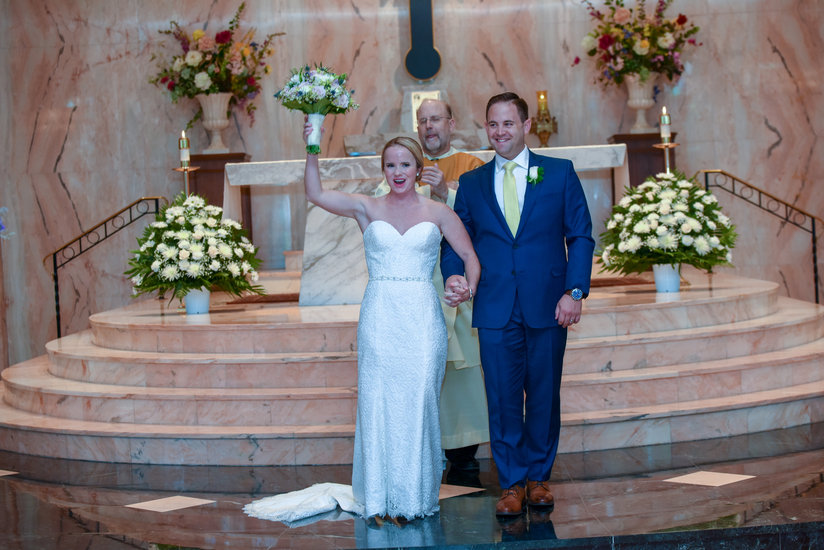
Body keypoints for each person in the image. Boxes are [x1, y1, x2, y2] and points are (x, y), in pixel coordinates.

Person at [303, 120, 481, 520]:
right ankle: (380, 499)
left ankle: (417, 498)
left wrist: (466, 288)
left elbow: (471, 258)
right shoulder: (367, 208)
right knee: (378, 403)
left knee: (419, 404)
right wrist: (312, 144)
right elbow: (314, 193)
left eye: (405, 165)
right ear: (382, 170)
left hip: (422, 318)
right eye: (390, 166)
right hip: (380, 316)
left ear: (418, 169)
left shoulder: (438, 211)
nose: (398, 173)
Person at [441, 92, 594, 517]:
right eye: (493, 124)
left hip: (549, 304)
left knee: (543, 396)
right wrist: (455, 273)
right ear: (485, 128)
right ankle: (510, 483)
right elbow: (457, 240)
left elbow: (580, 236)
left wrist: (575, 290)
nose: (500, 132)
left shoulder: (559, 173)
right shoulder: (471, 184)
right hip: (493, 307)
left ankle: (539, 478)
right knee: (502, 398)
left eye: (508, 123)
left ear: (526, 125)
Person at [375, 99, 489, 476]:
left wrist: (444, 194)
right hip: (411, 287)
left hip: (452, 284)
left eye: (435, 119)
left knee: (459, 372)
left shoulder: (471, 165)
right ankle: (414, 445)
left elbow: (482, 221)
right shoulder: (401, 167)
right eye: (422, 121)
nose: (428, 127)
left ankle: (461, 449)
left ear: (451, 123)